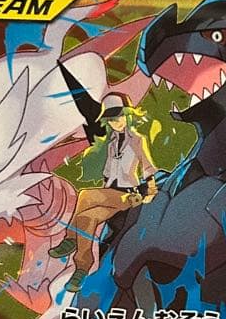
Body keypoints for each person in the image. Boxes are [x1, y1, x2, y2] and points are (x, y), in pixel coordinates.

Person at [49, 92, 157, 291]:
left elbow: (149, 168)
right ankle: (82, 267)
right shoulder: (113, 142)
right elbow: (109, 173)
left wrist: (149, 193)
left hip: (129, 195)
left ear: (127, 115)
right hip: (111, 194)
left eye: (119, 117)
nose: (116, 123)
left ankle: (70, 239)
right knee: (86, 218)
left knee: (85, 195)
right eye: (112, 120)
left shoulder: (137, 140)